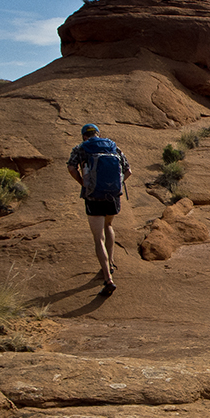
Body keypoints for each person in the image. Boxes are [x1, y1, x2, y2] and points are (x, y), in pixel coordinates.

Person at [67, 123, 131, 296]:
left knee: (98, 238)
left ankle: (108, 278)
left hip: (93, 197)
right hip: (112, 196)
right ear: (98, 134)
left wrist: (84, 184)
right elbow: (128, 171)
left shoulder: (81, 148)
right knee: (108, 226)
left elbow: (71, 168)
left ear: (84, 136)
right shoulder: (112, 146)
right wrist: (116, 186)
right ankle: (110, 262)